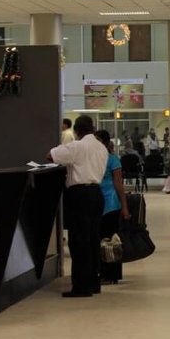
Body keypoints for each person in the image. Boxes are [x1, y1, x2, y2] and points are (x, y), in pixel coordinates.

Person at [50, 114, 109, 298]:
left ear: (76, 130)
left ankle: (82, 287)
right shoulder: (101, 147)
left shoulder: (77, 146)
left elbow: (51, 155)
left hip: (79, 195)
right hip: (96, 194)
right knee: (93, 239)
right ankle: (94, 282)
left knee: (79, 241)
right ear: (93, 128)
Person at [94, 130, 129, 285]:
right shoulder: (93, 158)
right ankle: (101, 271)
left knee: (111, 240)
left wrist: (124, 206)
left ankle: (112, 274)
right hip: (96, 201)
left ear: (105, 142)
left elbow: (118, 183)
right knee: (99, 239)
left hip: (111, 203)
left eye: (98, 140)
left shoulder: (113, 159)